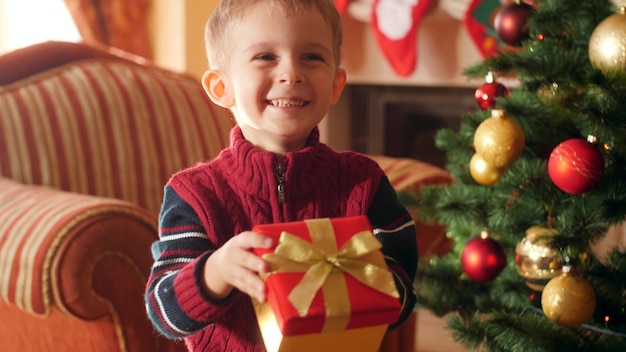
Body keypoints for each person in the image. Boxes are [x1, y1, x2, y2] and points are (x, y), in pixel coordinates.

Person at [144, 0, 418, 350]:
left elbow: (403, 289)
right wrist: (216, 271)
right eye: (265, 57)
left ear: (336, 85)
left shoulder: (363, 182)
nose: (292, 73)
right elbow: (163, 310)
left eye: (312, 57)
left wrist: (366, 283)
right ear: (220, 87)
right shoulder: (194, 194)